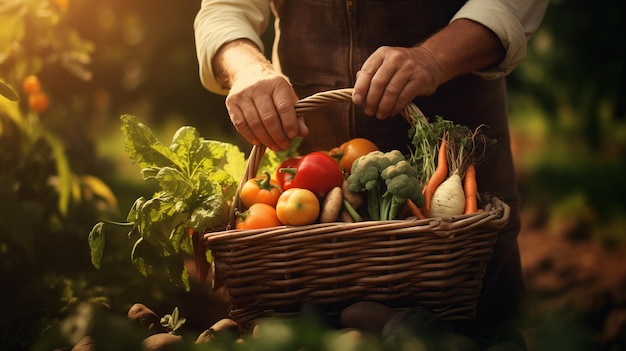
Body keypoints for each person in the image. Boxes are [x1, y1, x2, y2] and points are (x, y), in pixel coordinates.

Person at [194, 1, 548, 349]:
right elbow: (224, 8)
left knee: (480, 333)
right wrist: (248, 69)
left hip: (454, 177)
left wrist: (432, 58)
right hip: (306, 190)